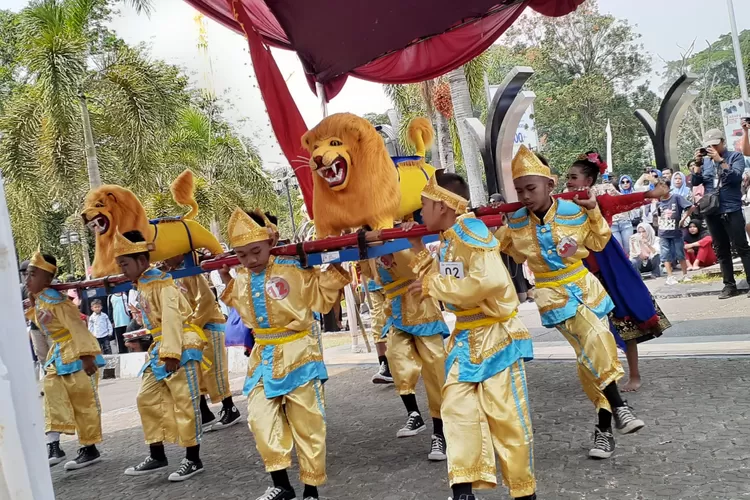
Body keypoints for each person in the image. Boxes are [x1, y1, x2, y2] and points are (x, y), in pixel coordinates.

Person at [498, 146, 644, 460]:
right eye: (519, 190)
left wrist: (593, 211)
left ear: (550, 185)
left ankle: (604, 429)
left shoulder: (573, 211)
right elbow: (506, 251)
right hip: (554, 296)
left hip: (586, 288)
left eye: (531, 188)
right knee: (596, 338)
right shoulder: (515, 225)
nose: (525, 196)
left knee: (589, 360)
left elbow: (599, 242)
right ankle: (620, 406)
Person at [406, 173, 536, 500]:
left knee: (507, 420)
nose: (421, 212)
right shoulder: (452, 238)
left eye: (423, 205)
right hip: (465, 341)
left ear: (442, 205)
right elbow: (446, 278)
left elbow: (488, 281)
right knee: (455, 411)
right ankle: (463, 491)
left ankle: (524, 493)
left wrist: (434, 286)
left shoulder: (471, 231)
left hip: (496, 338)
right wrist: (417, 248)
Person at [219, 208, 350, 500]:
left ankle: (310, 490)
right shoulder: (241, 277)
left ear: (270, 242)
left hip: (298, 352)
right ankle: (281, 484)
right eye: (242, 255)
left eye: (255, 251)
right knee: (259, 420)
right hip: (262, 355)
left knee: (308, 423)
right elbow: (240, 306)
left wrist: (328, 266)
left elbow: (321, 300)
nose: (251, 260)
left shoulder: (293, 268)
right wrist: (226, 273)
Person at [565, 152, 671, 393]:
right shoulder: (561, 206)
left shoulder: (601, 201)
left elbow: (627, 200)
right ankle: (601, 374)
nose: (569, 181)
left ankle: (634, 375)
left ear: (588, 181)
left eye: (574, 177)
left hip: (607, 268)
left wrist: (650, 194)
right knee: (587, 327)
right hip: (578, 271)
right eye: (568, 177)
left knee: (625, 323)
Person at [115, 230, 207, 482]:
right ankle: (157, 454)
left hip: (179, 345)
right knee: (146, 397)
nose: (122, 269)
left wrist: (171, 353)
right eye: (120, 264)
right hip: (160, 345)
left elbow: (172, 317)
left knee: (185, 402)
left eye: (125, 263)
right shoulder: (144, 282)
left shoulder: (161, 282)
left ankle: (193, 459)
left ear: (142, 262)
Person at [359, 223, 450, 462]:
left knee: (435, 371)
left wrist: (413, 241)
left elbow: (428, 268)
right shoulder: (367, 247)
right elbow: (369, 275)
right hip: (396, 314)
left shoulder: (404, 235)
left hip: (422, 309)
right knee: (397, 362)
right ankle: (413, 413)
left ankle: (440, 432)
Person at [25, 251, 105, 470]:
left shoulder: (59, 302)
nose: (27, 279)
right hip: (58, 352)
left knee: (83, 400)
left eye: (33, 274)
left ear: (48, 279)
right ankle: (54, 444)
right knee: (52, 394)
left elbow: (77, 327)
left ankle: (89, 448)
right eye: (27, 274)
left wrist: (87, 356)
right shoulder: (41, 299)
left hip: (76, 351)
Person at [163, 254, 241, 432]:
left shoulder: (191, 274)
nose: (164, 260)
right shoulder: (172, 277)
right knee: (196, 372)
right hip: (192, 329)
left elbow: (205, 300)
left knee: (214, 370)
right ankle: (204, 413)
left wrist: (193, 323)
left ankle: (230, 408)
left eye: (167, 256)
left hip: (207, 325)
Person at [691, 128, 750, 298]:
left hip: (731, 208)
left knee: (741, 247)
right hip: (712, 210)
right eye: (709, 146)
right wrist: (697, 164)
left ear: (723, 142)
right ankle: (729, 286)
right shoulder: (706, 162)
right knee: (721, 249)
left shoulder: (735, 156)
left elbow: (735, 177)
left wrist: (720, 160)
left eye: (715, 144)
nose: (713, 148)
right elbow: (696, 182)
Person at [657, 179, 694, 285]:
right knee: (665, 254)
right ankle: (670, 276)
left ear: (669, 188)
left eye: (664, 187)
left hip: (676, 231)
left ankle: (685, 275)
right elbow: (659, 216)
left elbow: (691, 206)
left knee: (680, 253)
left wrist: (683, 219)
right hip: (663, 232)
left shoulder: (676, 197)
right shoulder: (659, 203)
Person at [366, 278, 393, 384]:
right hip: (371, 281)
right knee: (377, 322)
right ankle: (384, 365)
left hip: (393, 278)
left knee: (398, 318)